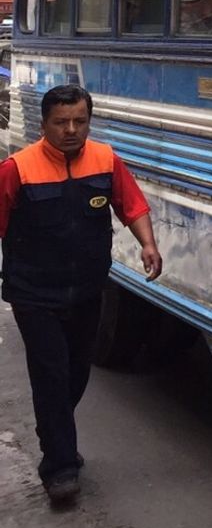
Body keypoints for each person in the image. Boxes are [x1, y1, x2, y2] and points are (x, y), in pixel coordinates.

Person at [0, 84, 161, 505]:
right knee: (51, 375)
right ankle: (60, 467)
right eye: (61, 122)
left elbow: (132, 204)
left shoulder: (105, 160)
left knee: (76, 375)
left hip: (88, 290)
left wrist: (148, 243)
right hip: (34, 294)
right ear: (44, 124)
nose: (71, 130)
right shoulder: (18, 168)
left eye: (80, 121)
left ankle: (54, 432)